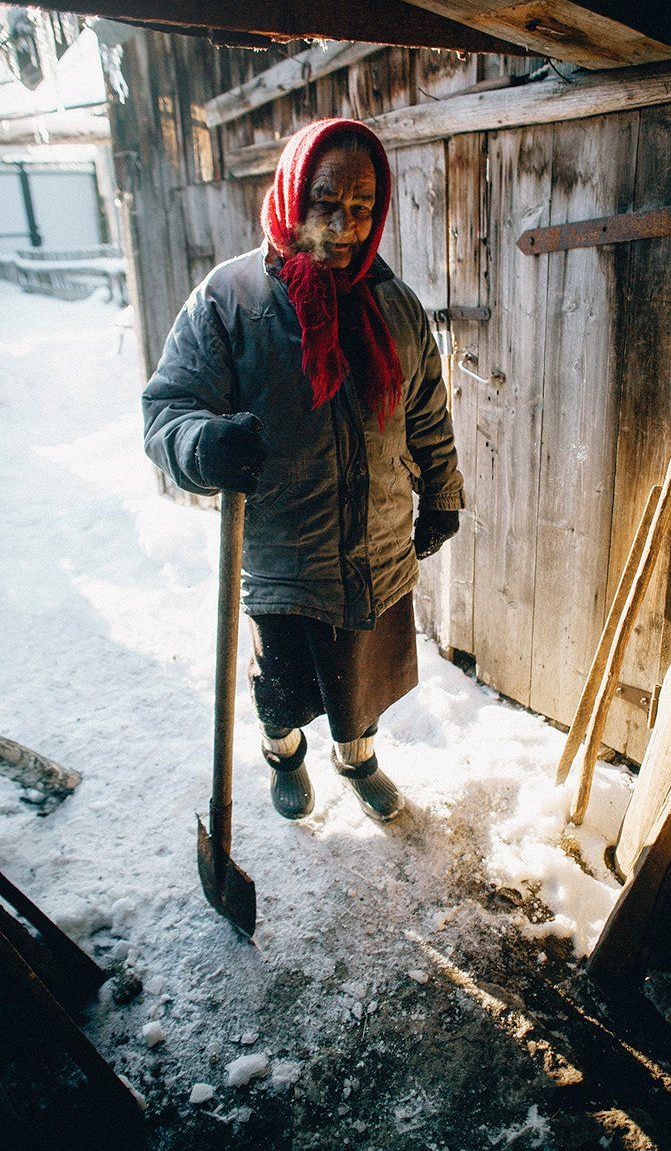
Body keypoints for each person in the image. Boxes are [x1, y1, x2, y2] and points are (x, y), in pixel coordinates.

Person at [142, 117, 464, 824]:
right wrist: (203, 445)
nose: (345, 227)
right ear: (293, 192)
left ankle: (358, 759)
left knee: (361, 686)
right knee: (282, 690)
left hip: (376, 552)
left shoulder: (393, 304)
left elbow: (427, 412)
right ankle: (283, 754)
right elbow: (167, 411)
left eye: (362, 207)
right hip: (285, 559)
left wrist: (442, 493)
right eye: (326, 202)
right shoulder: (230, 300)